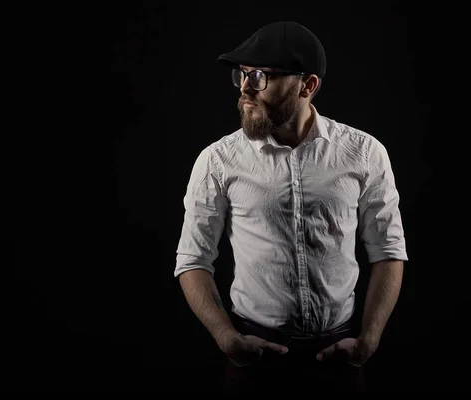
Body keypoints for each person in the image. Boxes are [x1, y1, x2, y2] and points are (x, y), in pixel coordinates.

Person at [174, 21, 408, 393]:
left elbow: (389, 250)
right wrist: (226, 338)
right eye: (243, 75)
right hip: (253, 359)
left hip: (338, 358)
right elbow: (192, 260)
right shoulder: (217, 160)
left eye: (262, 76)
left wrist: (369, 341)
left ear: (307, 86)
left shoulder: (365, 153)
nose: (246, 88)